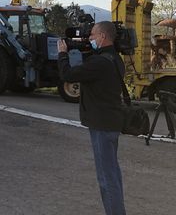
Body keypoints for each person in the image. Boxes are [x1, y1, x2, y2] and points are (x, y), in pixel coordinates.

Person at [57, 21, 126, 215]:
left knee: (106, 178)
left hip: (102, 125)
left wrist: (63, 53)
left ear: (103, 37)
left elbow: (68, 74)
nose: (90, 39)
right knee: (112, 173)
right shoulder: (114, 59)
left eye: (93, 36)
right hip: (111, 122)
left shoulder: (99, 63)